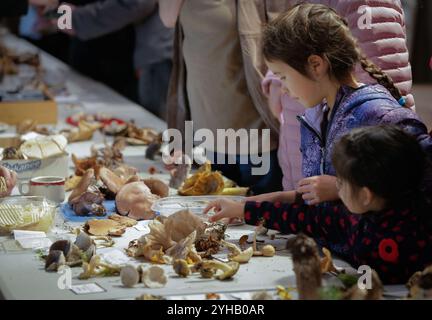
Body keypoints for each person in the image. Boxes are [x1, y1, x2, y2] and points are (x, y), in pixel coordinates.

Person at [246, 3, 432, 210]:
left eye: (283, 77)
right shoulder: (317, 119)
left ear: (316, 65)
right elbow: (316, 209)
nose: (283, 89)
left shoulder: (377, 115)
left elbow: (419, 182)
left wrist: (340, 187)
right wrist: (248, 208)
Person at [205, 125, 432, 284]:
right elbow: (305, 218)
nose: (336, 187)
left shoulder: (406, 238)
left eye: (341, 182)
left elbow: (379, 285)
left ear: (365, 196)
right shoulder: (357, 213)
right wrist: (244, 209)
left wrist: (346, 281)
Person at [159, 0, 289, 195]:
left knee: (263, 220)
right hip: (209, 137)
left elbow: (291, 37)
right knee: (218, 220)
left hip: (257, 136)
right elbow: (167, 18)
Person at [55, 0, 173, 118]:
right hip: (101, 54)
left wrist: (70, 19)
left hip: (149, 56)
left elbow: (138, 4)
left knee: (153, 122)